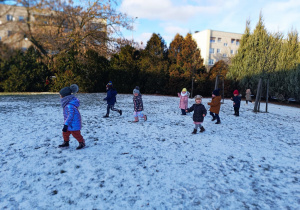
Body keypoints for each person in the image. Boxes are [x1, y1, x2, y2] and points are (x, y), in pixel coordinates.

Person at [58, 84, 86, 150]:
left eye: (61, 95)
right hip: (69, 122)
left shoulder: (70, 105)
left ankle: (81, 142)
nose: (60, 96)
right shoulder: (67, 103)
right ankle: (66, 142)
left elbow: (70, 116)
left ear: (65, 96)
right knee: (65, 133)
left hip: (74, 123)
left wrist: (66, 124)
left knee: (76, 134)